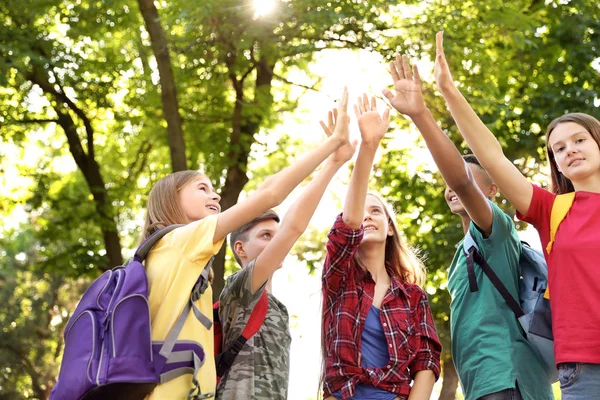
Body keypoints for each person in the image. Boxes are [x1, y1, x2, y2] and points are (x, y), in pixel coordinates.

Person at [140, 88, 352, 399]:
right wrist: (332, 149)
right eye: (202, 187)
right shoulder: (178, 241)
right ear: (171, 199)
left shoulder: (187, 266)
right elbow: (273, 199)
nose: (214, 196)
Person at [434, 30, 600, 399]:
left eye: (579, 140)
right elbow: (492, 157)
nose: (569, 150)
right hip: (585, 366)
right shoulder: (552, 209)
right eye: (558, 148)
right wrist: (449, 92)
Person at [382, 50, 554, 400]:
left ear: (492, 190)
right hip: (481, 384)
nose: (452, 187)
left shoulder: (498, 230)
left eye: (469, 181)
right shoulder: (462, 253)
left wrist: (421, 115)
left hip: (509, 378)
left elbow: (461, 181)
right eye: (446, 183)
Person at [216, 93, 357, 400]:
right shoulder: (239, 292)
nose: (276, 241)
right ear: (240, 249)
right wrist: (332, 159)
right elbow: (294, 227)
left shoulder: (277, 307)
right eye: (266, 235)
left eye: (274, 235)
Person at [321, 94, 441, 400]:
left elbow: (426, 361)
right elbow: (347, 225)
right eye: (362, 210)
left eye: (376, 211)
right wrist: (368, 147)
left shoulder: (413, 297)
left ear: (390, 229)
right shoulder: (339, 279)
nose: (367, 216)